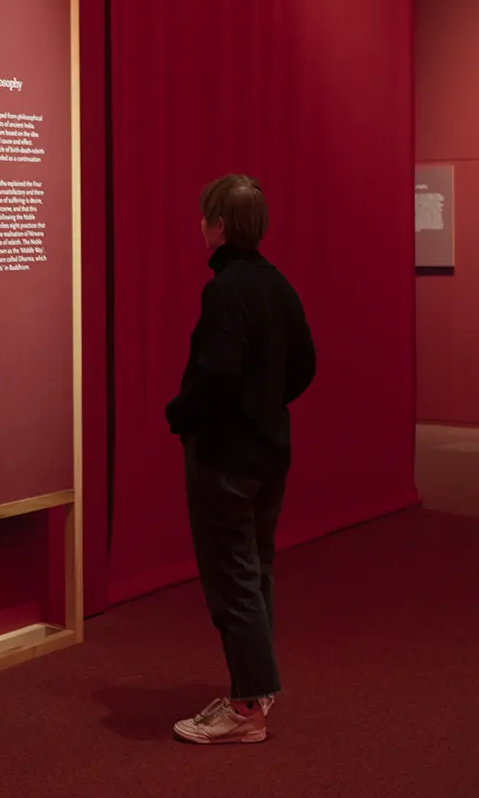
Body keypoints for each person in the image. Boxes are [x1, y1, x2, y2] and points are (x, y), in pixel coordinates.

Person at [165, 174, 316, 745]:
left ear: (220, 226)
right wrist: (267, 401)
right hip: (269, 450)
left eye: (206, 216)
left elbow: (218, 374)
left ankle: (248, 707)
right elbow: (304, 364)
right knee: (255, 570)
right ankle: (258, 686)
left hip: (227, 457)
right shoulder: (278, 285)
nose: (201, 225)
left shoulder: (225, 289)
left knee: (233, 579)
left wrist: (179, 412)